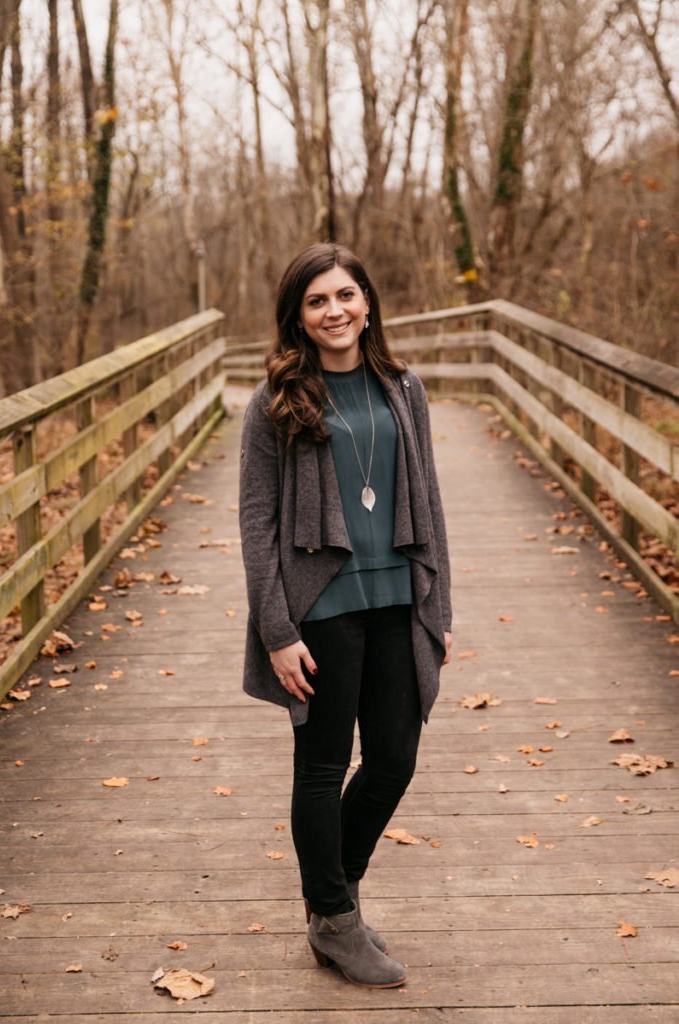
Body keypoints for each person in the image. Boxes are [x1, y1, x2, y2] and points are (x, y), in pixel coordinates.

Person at [238, 242, 452, 989]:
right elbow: (256, 525)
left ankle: (335, 893)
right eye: (317, 301)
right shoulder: (274, 405)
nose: (335, 311)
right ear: (298, 318)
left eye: (345, 295)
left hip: (398, 594)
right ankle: (333, 918)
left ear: (368, 303)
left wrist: (439, 604)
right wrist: (276, 631)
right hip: (320, 607)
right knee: (322, 767)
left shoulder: (404, 388)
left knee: (394, 757)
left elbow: (428, 500)